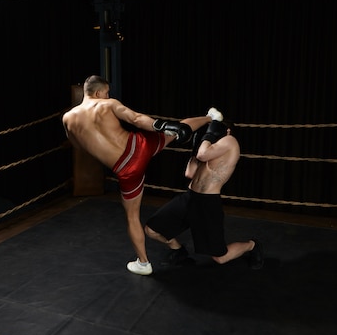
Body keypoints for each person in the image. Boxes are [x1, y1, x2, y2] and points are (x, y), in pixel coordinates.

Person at [62, 75, 222, 276]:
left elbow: (77, 146)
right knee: (174, 130)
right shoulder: (108, 104)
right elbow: (136, 119)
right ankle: (211, 118)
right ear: (98, 92)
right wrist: (163, 125)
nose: (108, 95)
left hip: (126, 168)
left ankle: (144, 263)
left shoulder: (67, 119)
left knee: (132, 216)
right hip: (138, 147)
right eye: (106, 92)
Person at [144, 119, 264, 270]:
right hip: (189, 198)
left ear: (226, 131)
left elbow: (202, 155)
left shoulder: (230, 141)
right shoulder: (210, 147)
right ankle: (178, 250)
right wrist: (195, 148)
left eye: (214, 129)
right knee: (151, 230)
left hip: (207, 203)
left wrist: (208, 137)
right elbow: (190, 173)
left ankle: (252, 245)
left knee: (220, 258)